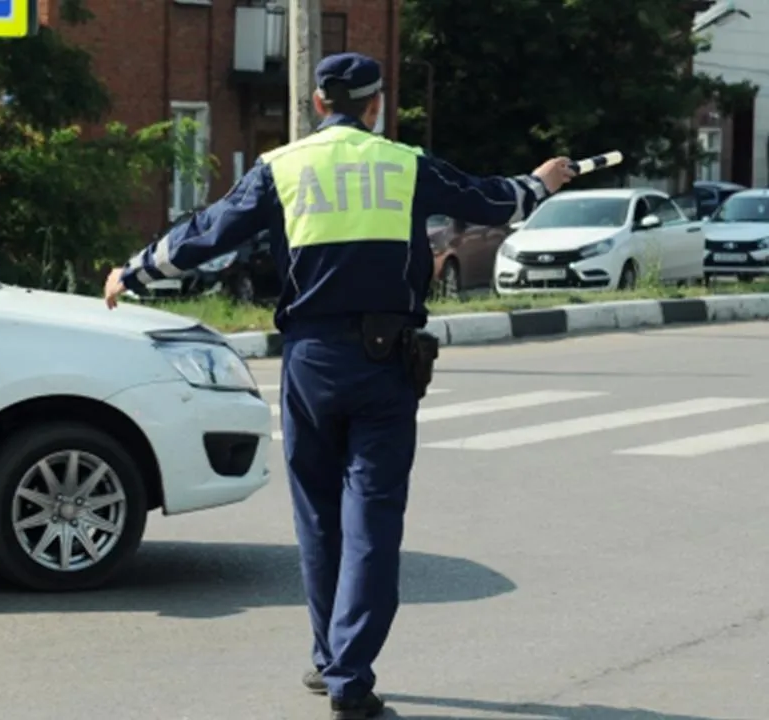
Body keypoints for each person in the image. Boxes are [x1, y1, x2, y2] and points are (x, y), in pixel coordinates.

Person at [103, 52, 575, 720]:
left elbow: (206, 234)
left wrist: (135, 269)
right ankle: (350, 679)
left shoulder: (282, 167)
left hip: (311, 363)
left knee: (318, 519)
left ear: (319, 103)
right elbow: (490, 199)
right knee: (373, 522)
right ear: (376, 103)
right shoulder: (404, 162)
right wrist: (542, 179)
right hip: (386, 362)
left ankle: (331, 659)